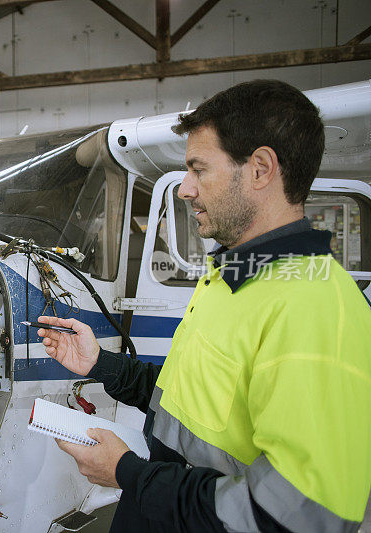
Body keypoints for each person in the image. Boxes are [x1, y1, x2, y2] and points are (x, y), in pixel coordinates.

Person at [38, 79, 371, 532]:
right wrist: (103, 365)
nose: (184, 189)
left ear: (260, 169)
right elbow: (190, 403)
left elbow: (297, 516)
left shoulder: (315, 308)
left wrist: (128, 474)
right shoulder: (233, 276)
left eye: (199, 169)